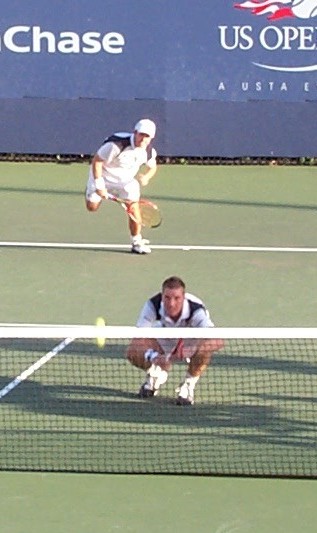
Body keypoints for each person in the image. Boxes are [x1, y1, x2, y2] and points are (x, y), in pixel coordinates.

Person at [127, 276, 224, 405]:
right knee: (133, 352)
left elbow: (217, 340)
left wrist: (193, 349)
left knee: (204, 351)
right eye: (167, 298)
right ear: (162, 297)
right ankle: (156, 374)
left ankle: (188, 385)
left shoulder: (196, 310)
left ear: (184, 297)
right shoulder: (152, 304)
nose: (171, 303)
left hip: (190, 340)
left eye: (177, 298)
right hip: (164, 335)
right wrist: (154, 357)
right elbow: (139, 338)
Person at [85, 118, 157, 254]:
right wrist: (99, 185)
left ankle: (136, 242)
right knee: (92, 207)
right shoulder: (116, 145)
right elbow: (97, 161)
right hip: (103, 176)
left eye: (147, 136)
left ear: (151, 138)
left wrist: (146, 177)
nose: (143, 139)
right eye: (141, 134)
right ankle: (92, 193)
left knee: (134, 209)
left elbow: (152, 167)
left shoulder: (149, 152)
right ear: (135, 132)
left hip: (126, 182)